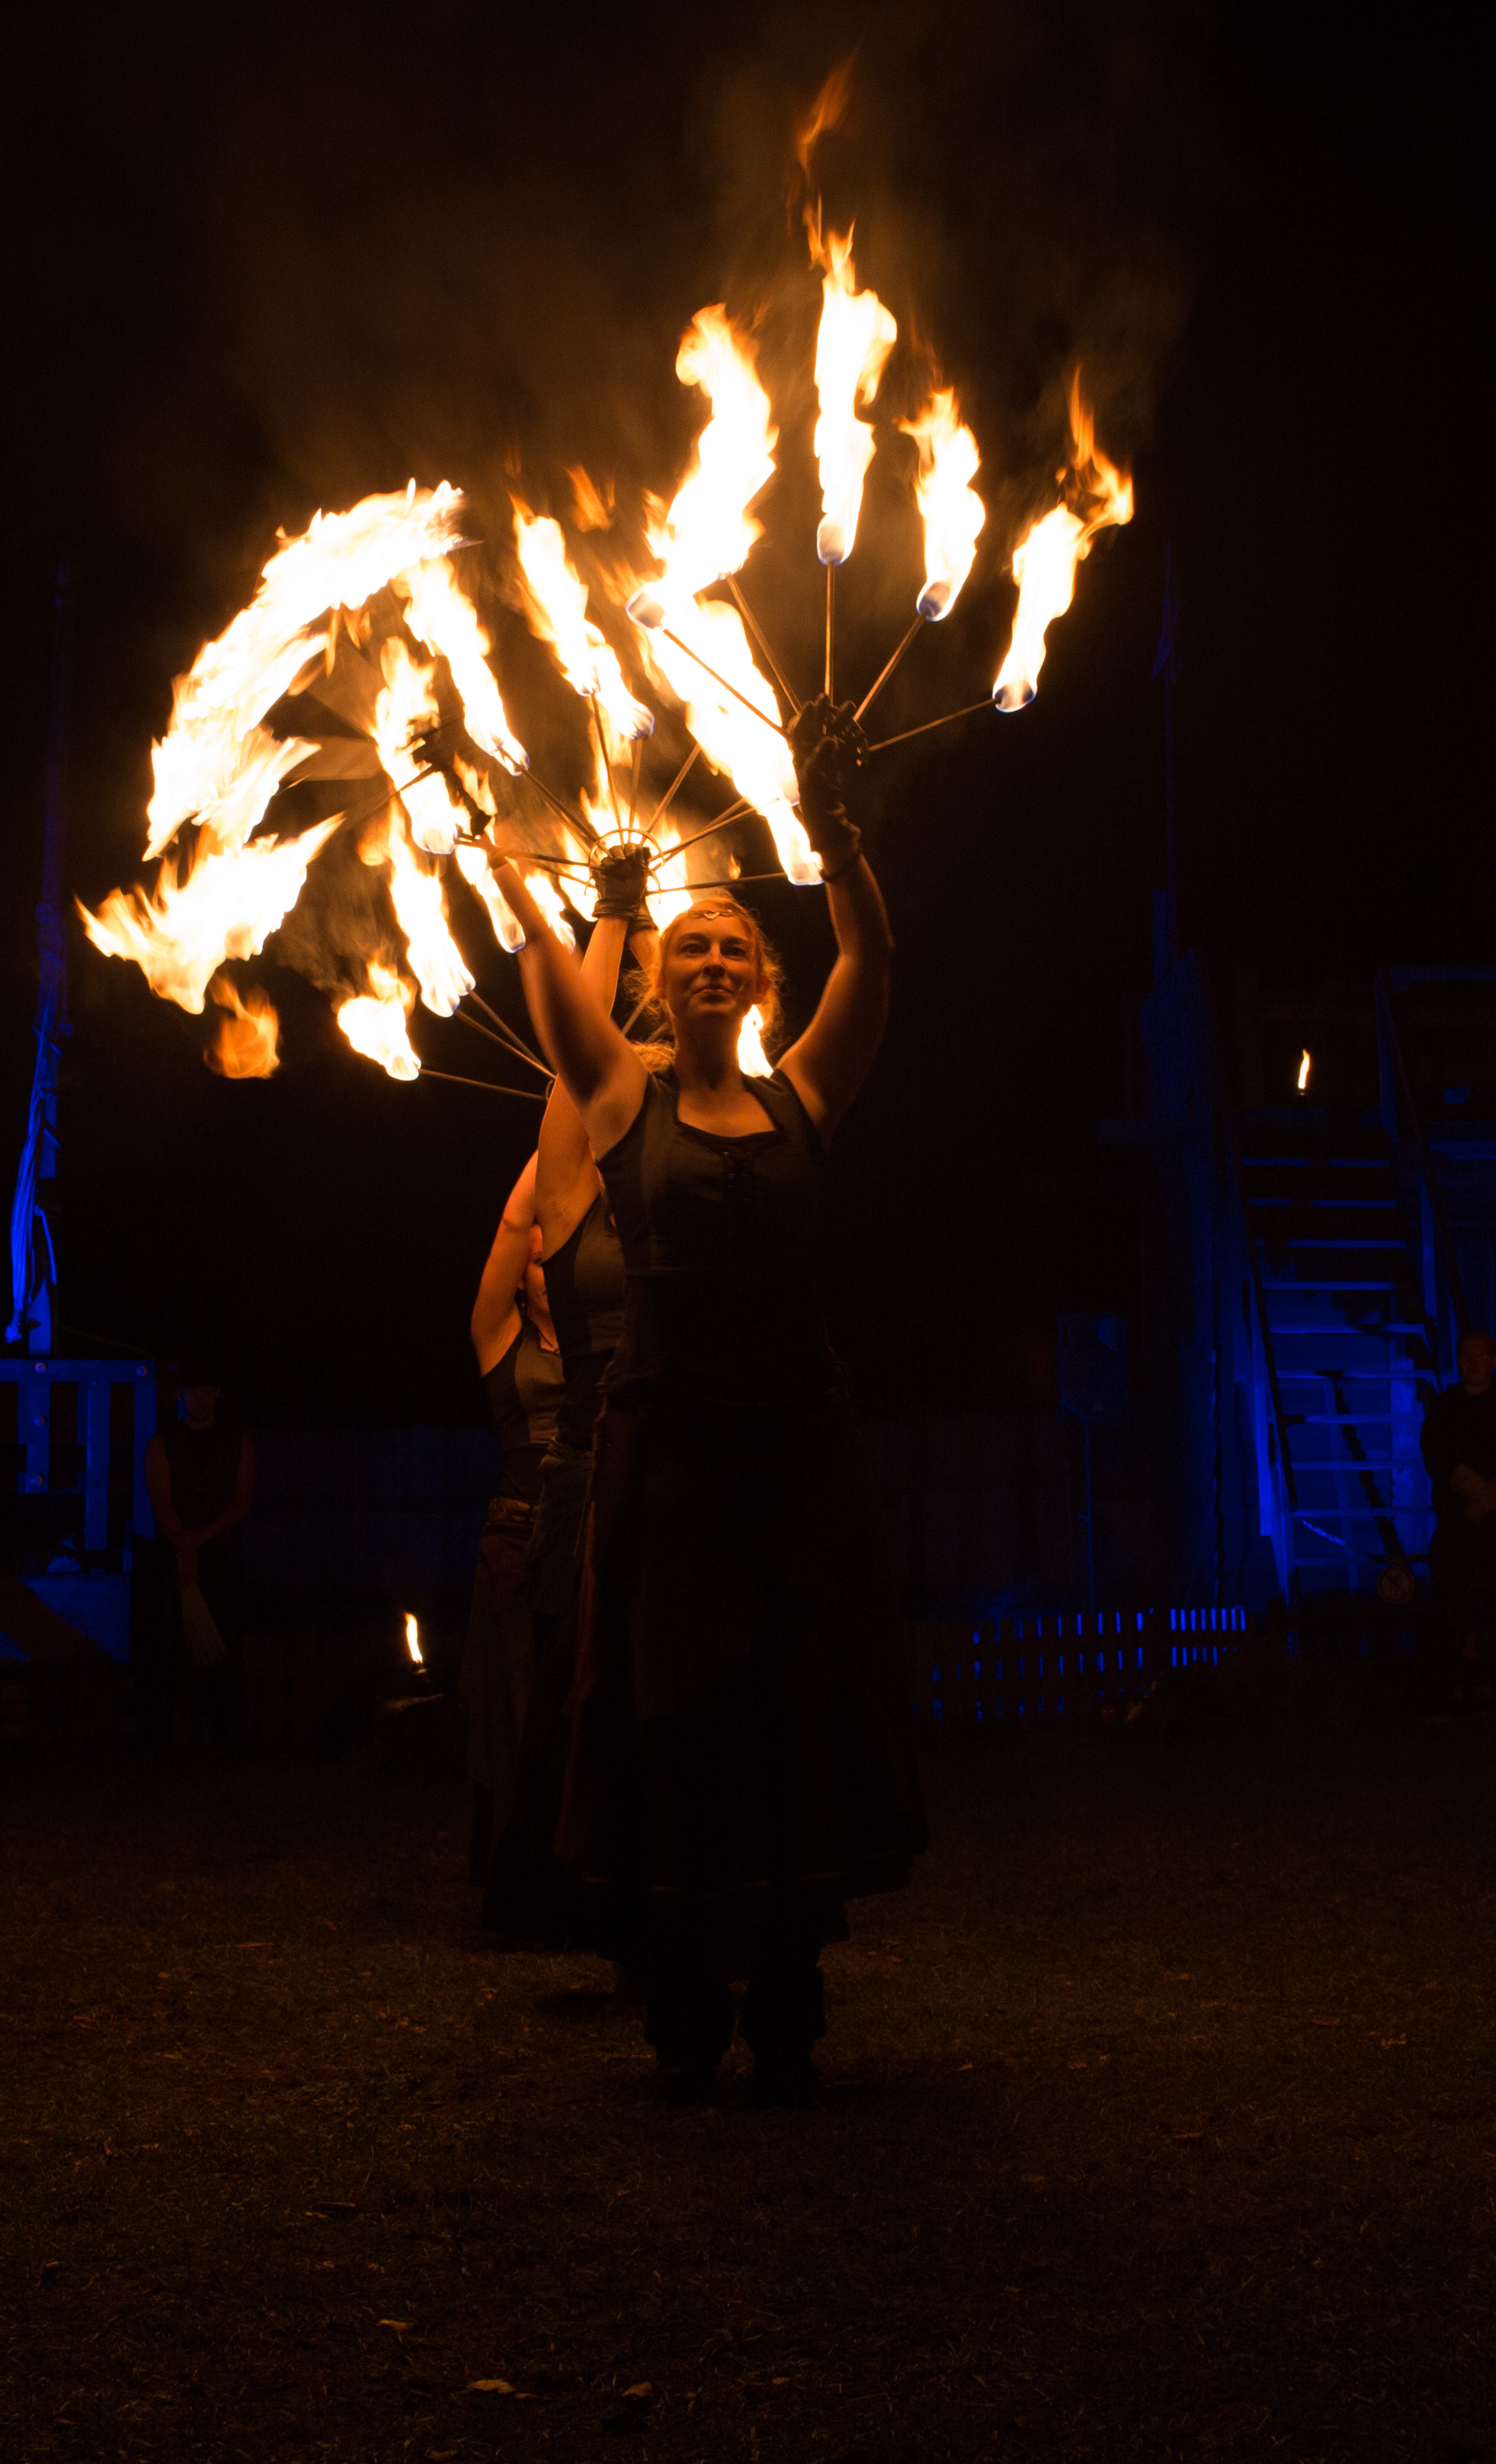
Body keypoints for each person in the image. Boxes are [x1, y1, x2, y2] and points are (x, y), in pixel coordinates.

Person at [482, 725, 916, 2099]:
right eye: (694, 950)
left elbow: (874, 961)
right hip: (670, 1461)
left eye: (734, 947)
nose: (716, 960)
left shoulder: (805, 1095)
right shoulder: (623, 1099)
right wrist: (558, 889)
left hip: (795, 1453)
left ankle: (786, 1993)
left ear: (762, 980)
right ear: (663, 986)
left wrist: (837, 843)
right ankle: (681, 1996)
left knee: (793, 1706)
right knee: (678, 1714)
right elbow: (552, 989)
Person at [485, 864, 649, 1953]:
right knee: (577, 1686)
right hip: (587, 1475)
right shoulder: (576, 1199)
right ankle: (569, 1894)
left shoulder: (690, 1189)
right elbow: (575, 1063)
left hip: (687, 1462)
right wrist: (612, 920)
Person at [463, 1156, 563, 1911]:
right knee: (520, 1710)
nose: (547, 1265)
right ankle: (520, 1883)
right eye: (536, 1259)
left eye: (558, 1252)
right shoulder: (500, 1338)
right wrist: (557, 1133)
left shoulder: (611, 1341)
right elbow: (509, 1224)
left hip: (588, 1538)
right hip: (518, 1543)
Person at [1419, 1331, 1496, 1708]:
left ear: (1494, 1361)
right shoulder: (1445, 1407)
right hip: (1457, 1524)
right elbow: (1437, 1457)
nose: (1473, 1363)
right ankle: (1452, 1683)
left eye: (1481, 1356)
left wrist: (1488, 1499)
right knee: (1452, 1604)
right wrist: (1471, 1494)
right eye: (1466, 1355)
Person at [146, 1363, 257, 1699]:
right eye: (194, 1393)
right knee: (172, 1638)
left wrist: (196, 1541)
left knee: (224, 1635)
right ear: (181, 1395)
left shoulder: (240, 1442)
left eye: (207, 1392)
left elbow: (242, 1502)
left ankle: (221, 1714)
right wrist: (185, 1547)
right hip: (175, 1552)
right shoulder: (162, 1443)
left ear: (218, 1394)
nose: (201, 1400)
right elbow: (161, 1502)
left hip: (221, 1555)